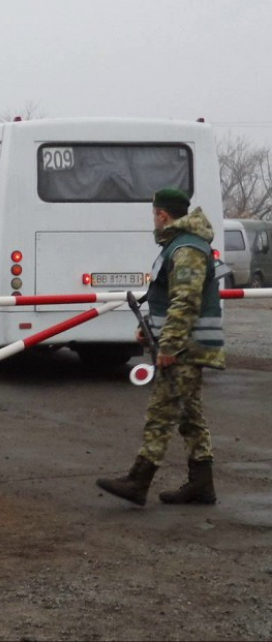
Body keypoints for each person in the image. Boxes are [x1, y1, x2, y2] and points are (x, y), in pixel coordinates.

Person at [96, 187, 225, 506]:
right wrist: (150, 330)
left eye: (154, 214)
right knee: (189, 416)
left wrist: (168, 346)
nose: (153, 220)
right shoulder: (180, 246)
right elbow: (168, 300)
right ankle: (201, 485)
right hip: (184, 345)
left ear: (163, 215)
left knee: (161, 412)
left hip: (185, 348)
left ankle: (138, 482)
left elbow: (185, 301)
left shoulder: (187, 249)